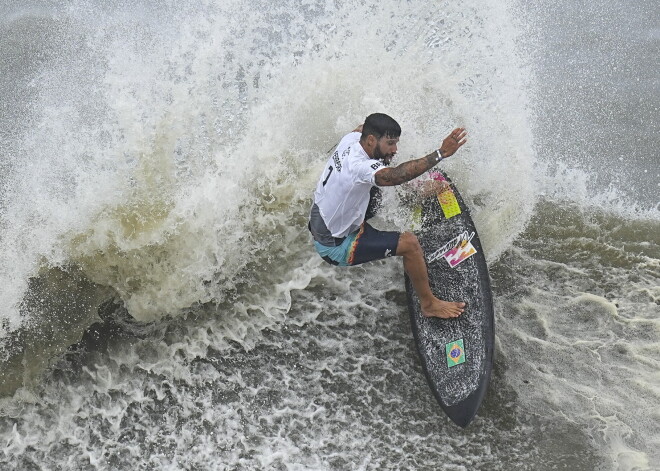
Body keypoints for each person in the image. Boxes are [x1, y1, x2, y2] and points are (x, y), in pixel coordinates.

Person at [309, 113, 467, 319]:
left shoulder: (351, 140)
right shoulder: (359, 166)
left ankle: (414, 193)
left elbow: (362, 127)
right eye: (390, 143)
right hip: (335, 244)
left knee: (379, 180)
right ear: (371, 140)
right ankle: (429, 304)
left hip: (322, 216)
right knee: (410, 243)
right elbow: (394, 176)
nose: (395, 149)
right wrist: (441, 153)